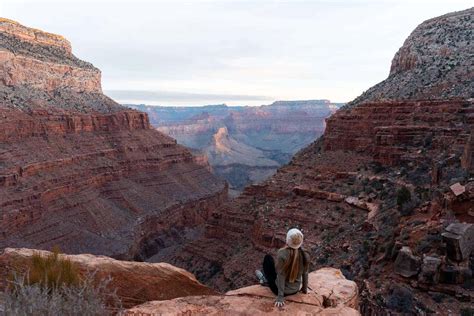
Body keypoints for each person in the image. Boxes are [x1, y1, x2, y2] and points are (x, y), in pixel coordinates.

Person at [255, 228, 310, 308]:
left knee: (268, 259)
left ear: (287, 240)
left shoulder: (282, 253)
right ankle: (265, 278)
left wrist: (280, 297)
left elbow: (281, 275)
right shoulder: (305, 254)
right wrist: (304, 289)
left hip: (279, 290)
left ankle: (264, 279)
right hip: (295, 289)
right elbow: (305, 273)